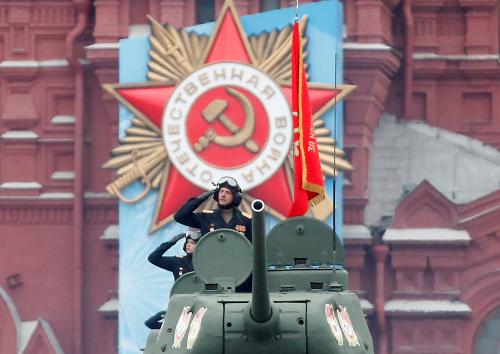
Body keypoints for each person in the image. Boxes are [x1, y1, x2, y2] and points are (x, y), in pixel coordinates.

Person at [173, 176, 252, 242]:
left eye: (227, 192)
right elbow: (179, 216)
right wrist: (201, 198)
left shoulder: (246, 220)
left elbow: (254, 248)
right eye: (221, 191)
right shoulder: (206, 217)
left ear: (235, 198)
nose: (223, 195)